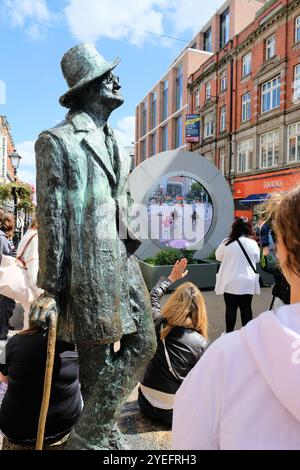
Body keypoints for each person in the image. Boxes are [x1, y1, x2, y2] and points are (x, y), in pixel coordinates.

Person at [30, 43, 156, 449]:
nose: (117, 81)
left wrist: (133, 229)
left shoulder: (120, 142)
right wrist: (50, 289)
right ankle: (103, 434)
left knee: (145, 343)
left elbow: (120, 200)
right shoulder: (58, 141)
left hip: (121, 257)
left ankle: (87, 435)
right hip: (87, 267)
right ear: (88, 89)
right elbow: (51, 219)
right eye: (107, 77)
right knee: (98, 361)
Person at [173, 186, 300, 450]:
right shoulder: (253, 244)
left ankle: (236, 332)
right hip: (247, 285)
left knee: (232, 314)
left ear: (284, 251)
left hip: (231, 285)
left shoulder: (225, 361)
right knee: (247, 312)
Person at [138, 259, 208, 427]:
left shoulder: (157, 322)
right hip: (173, 414)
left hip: (145, 402)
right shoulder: (201, 344)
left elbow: (152, 297)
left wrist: (171, 278)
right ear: (200, 310)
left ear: (174, 303)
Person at [0, 325, 82, 449]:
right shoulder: (77, 345)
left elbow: (3, 377)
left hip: (15, 429)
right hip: (62, 427)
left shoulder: (15, 340)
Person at [215, 217, 260, 333]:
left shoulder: (227, 242)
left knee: (230, 309)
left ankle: (229, 334)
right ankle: (248, 335)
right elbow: (257, 259)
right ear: (248, 229)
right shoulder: (252, 243)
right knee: (246, 308)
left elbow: (218, 257)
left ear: (234, 228)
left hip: (230, 281)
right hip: (247, 281)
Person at [16, 217, 43, 329]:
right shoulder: (36, 239)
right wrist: (41, 293)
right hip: (32, 289)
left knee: (29, 321)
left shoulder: (30, 234)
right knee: (32, 326)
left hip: (28, 287)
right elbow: (34, 271)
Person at [0, 212, 16, 341]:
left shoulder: (5, 237)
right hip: (3, 277)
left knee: (8, 306)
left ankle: (4, 327)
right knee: (6, 306)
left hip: (5, 276)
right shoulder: (2, 238)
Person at [261, 246, 290, 310]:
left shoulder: (279, 269)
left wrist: (264, 256)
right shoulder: (295, 267)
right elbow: (274, 262)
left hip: (280, 299)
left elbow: (264, 266)